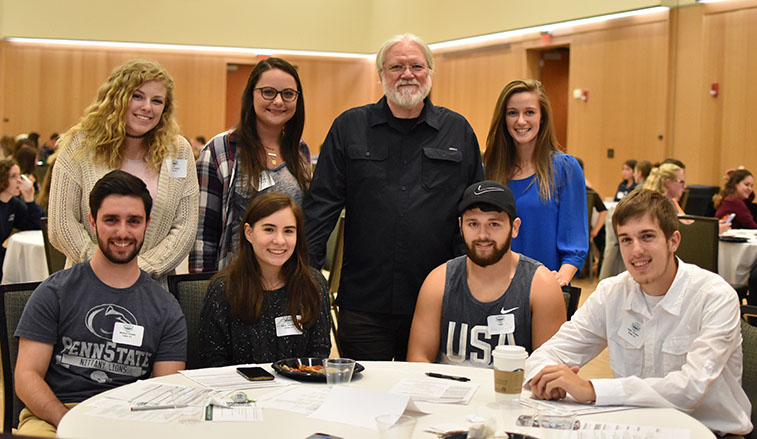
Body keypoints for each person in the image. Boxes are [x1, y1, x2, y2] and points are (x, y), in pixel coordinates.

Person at [303, 33, 484, 361]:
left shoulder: (457, 131)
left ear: (430, 72)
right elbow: (320, 208)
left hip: (438, 301)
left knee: (432, 398)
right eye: (397, 66)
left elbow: (473, 215)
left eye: (417, 65)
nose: (407, 73)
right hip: (364, 303)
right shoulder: (349, 127)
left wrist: (472, 285)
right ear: (380, 74)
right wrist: (306, 277)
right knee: (364, 399)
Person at [524, 189, 751, 436]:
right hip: (637, 429)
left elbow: (691, 389)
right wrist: (547, 380)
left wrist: (591, 389)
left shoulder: (714, 296)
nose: (636, 251)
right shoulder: (612, 293)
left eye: (647, 237)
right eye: (626, 240)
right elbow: (547, 354)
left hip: (713, 432)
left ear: (673, 241)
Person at [14, 170, 187, 437]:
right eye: (111, 220)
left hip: (128, 423)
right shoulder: (54, 291)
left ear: (146, 224)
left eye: (133, 221)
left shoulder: (166, 308)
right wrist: (70, 422)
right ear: (93, 222)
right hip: (54, 417)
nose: (122, 232)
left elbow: (165, 392)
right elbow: (26, 378)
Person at [48, 59, 198, 286]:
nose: (147, 107)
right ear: (116, 98)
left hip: (152, 287)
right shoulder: (79, 147)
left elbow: (185, 228)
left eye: (157, 101)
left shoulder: (178, 152)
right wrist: (101, 266)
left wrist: (142, 270)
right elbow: (61, 225)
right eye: (137, 96)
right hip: (86, 283)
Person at [407, 181, 565, 366]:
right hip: (447, 391)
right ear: (461, 226)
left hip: (511, 393)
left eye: (494, 224)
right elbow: (418, 359)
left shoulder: (541, 286)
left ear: (514, 227)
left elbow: (548, 370)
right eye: (473, 223)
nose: (483, 235)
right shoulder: (438, 281)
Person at [191, 57, 310, 273]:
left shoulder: (300, 151)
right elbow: (202, 231)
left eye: (288, 94)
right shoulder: (220, 149)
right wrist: (203, 287)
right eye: (268, 92)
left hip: (288, 279)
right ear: (251, 94)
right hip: (235, 280)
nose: (278, 101)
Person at [198, 193, 331, 367]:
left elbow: (319, 357)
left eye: (289, 231)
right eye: (269, 229)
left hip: (300, 390)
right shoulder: (224, 289)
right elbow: (213, 362)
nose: (280, 240)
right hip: (239, 392)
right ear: (249, 233)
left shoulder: (314, 284)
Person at [483, 79, 587, 287]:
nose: (521, 121)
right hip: (493, 286)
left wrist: (561, 278)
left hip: (544, 288)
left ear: (542, 117)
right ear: (503, 119)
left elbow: (575, 242)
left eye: (529, 112)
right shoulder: (487, 170)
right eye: (513, 113)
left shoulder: (565, 169)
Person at [0, 158, 44, 279]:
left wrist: (29, 199)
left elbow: (37, 225)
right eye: (13, 176)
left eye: (20, 176)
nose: (19, 181)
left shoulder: (13, 203)